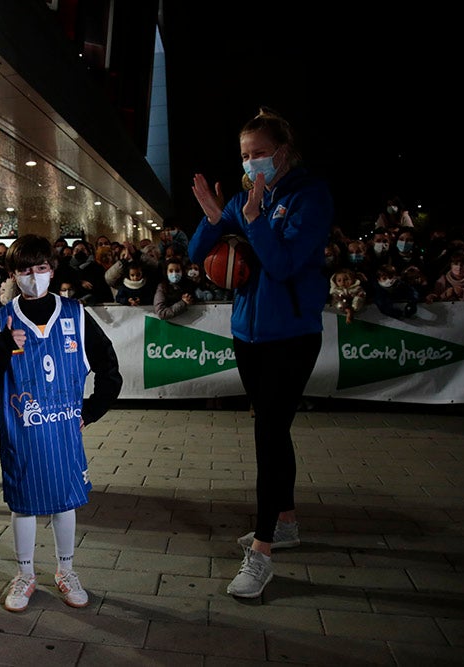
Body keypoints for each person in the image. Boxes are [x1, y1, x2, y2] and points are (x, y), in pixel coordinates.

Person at [187, 108, 332, 599]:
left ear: (283, 152)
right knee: (270, 430)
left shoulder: (309, 196)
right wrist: (213, 217)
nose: (251, 164)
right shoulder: (252, 196)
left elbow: (285, 265)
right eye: (245, 155)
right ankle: (286, 521)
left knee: (270, 435)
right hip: (248, 335)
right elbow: (195, 253)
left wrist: (252, 219)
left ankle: (263, 552)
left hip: (290, 337)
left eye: (259, 154)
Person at [0, 234, 122, 612]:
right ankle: (24, 574)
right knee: (23, 503)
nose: (33, 276)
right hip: (21, 432)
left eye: (40, 268)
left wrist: (91, 411)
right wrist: (1, 344)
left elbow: (109, 367)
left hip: (63, 430)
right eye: (24, 270)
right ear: (13, 274)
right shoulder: (2, 319)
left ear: (52, 271)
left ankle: (65, 570)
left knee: (63, 501)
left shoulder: (74, 314)